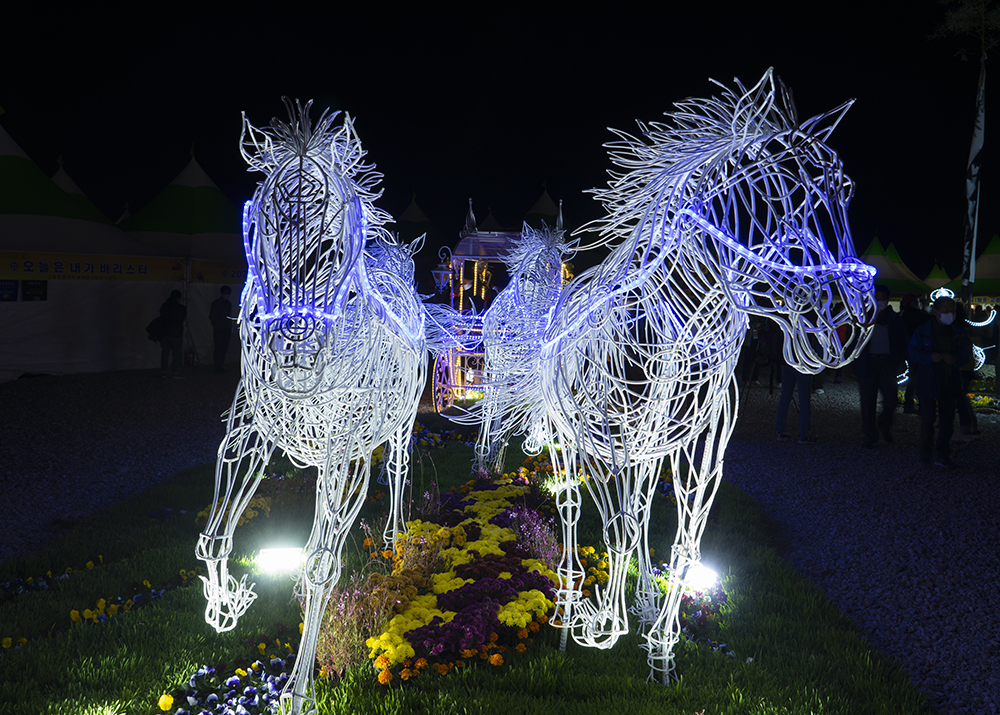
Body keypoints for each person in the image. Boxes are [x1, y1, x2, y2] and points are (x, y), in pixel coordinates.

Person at [908, 295, 972, 467]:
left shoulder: (959, 332)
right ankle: (926, 453)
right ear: (936, 311)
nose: (950, 313)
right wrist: (930, 357)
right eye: (946, 309)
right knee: (928, 420)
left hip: (950, 382)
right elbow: (913, 352)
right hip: (928, 380)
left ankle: (942, 453)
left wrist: (956, 360)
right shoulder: (923, 331)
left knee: (947, 421)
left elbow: (966, 355)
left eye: (953, 310)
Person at [854, 285, 908, 447]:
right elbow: (854, 342)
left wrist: (902, 361)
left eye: (882, 299)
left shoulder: (895, 320)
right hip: (869, 362)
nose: (880, 302)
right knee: (867, 401)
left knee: (891, 399)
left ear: (887, 300)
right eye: (877, 299)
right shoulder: (864, 318)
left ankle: (884, 424)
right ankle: (870, 435)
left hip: (887, 363)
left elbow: (902, 342)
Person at [900, 293, 930, 413]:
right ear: (912, 303)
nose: (919, 304)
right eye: (917, 302)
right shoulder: (917, 315)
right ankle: (918, 404)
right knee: (919, 377)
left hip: (909, 350)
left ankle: (909, 403)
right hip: (919, 349)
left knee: (913, 376)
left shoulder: (904, 315)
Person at [774, 362, 816, 444]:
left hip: (787, 362)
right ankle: (804, 434)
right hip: (803, 364)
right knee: (804, 400)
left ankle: (780, 430)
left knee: (785, 397)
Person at [159, 289, 187, 378]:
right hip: (177, 334)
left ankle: (163, 372)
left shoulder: (165, 306)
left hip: (166, 333)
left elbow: (162, 317)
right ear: (178, 298)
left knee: (165, 354)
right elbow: (182, 319)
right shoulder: (181, 308)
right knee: (176, 355)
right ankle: (175, 372)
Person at [210, 285, 234, 373]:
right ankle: (217, 366)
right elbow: (212, 316)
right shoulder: (216, 303)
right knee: (219, 348)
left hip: (226, 329)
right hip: (219, 329)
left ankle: (220, 366)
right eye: (226, 293)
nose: (227, 295)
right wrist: (217, 326)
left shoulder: (228, 304)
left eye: (228, 293)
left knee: (224, 348)